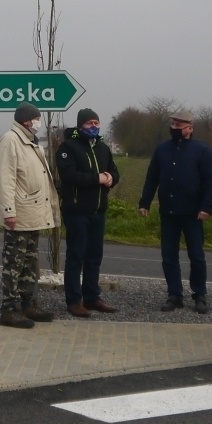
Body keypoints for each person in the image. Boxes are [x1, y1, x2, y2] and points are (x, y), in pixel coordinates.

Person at [138, 111, 212, 313]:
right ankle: (174, 294)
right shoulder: (162, 150)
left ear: (189, 128)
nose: (174, 128)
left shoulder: (201, 151)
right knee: (168, 256)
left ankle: (199, 294)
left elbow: (210, 181)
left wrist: (206, 207)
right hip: (169, 212)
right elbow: (152, 178)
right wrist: (145, 202)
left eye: (178, 125)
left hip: (193, 213)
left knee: (196, 256)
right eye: (172, 124)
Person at [0, 103, 59, 330]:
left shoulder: (31, 143)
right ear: (27, 121)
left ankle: (28, 303)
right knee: (14, 263)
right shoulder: (11, 141)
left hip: (33, 213)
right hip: (19, 215)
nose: (39, 122)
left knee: (29, 261)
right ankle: (8, 309)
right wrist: (8, 212)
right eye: (37, 118)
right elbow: (4, 180)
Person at [54, 108, 121, 318]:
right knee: (76, 256)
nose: (94, 126)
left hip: (98, 211)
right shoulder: (68, 147)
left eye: (96, 123)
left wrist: (111, 178)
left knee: (94, 256)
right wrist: (97, 178)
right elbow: (70, 175)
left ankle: (92, 297)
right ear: (81, 125)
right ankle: (73, 301)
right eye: (90, 123)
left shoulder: (102, 148)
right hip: (76, 211)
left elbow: (114, 170)